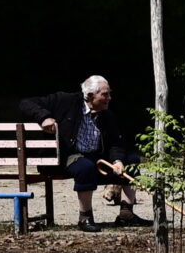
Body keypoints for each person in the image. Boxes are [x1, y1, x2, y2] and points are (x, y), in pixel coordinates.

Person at [17, 76, 142, 231]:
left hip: (96, 156)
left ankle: (126, 215)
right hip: (65, 156)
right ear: (90, 95)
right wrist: (44, 117)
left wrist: (117, 160)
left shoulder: (107, 114)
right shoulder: (65, 101)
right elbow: (26, 103)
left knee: (132, 160)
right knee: (85, 167)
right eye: (105, 94)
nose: (109, 98)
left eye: (109, 93)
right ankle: (85, 217)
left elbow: (116, 142)